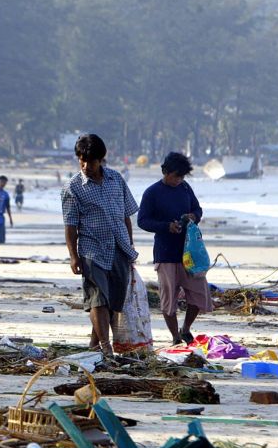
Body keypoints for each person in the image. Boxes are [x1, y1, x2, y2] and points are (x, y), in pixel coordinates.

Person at [61, 134, 138, 357]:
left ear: (101, 160)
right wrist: (73, 256)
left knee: (114, 301)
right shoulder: (73, 188)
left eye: (91, 161)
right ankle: (106, 346)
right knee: (97, 297)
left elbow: (126, 216)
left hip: (119, 247)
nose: (86, 166)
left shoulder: (116, 180)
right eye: (81, 161)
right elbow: (70, 226)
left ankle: (94, 346)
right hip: (91, 250)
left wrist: (130, 246)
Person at [137, 152, 212, 345]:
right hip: (166, 254)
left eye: (182, 176)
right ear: (165, 172)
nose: (179, 180)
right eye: (176, 176)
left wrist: (193, 217)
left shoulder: (185, 188)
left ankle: (186, 328)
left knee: (198, 295)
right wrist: (166, 227)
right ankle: (175, 337)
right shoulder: (152, 192)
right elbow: (142, 221)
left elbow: (198, 209)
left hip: (189, 253)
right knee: (168, 301)